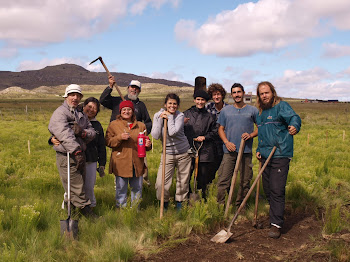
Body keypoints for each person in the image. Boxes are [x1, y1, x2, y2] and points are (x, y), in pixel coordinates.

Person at [255, 81, 301, 239]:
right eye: (261, 94)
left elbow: (294, 118)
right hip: (266, 155)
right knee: (267, 189)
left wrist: (295, 126)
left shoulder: (282, 106)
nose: (264, 96)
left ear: (272, 92)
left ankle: (276, 224)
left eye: (267, 92)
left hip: (280, 153)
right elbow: (261, 134)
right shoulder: (261, 113)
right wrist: (258, 150)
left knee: (276, 189)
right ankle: (273, 217)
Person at [48, 84, 96, 217]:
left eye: (78, 95)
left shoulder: (80, 114)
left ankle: (73, 213)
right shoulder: (60, 113)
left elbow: (92, 132)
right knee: (76, 186)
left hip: (80, 155)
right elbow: (64, 134)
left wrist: (82, 133)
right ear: (66, 96)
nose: (75, 98)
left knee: (79, 183)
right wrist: (76, 151)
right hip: (67, 155)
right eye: (72, 95)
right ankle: (86, 212)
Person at [51, 97, 107, 209]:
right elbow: (62, 132)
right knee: (72, 185)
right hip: (73, 157)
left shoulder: (97, 125)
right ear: (84, 106)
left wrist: (102, 163)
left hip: (90, 159)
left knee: (88, 187)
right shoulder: (74, 118)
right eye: (89, 106)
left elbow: (101, 146)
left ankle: (90, 208)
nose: (91, 110)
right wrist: (51, 139)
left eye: (95, 108)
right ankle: (68, 208)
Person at [100, 76, 152, 184]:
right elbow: (103, 100)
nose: (134, 90)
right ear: (128, 88)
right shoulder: (118, 100)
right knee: (120, 168)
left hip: (137, 145)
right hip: (120, 143)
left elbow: (148, 122)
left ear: (139, 91)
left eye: (136, 88)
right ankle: (120, 193)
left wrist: (142, 134)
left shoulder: (141, 105)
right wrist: (110, 86)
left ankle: (140, 189)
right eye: (132, 87)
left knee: (139, 169)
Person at [216, 83, 258, 209]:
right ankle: (220, 206)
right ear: (231, 95)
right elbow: (220, 129)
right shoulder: (225, 111)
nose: (237, 95)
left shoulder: (252, 110)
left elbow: (260, 128)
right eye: (234, 92)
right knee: (223, 180)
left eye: (239, 92)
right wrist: (226, 142)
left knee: (245, 181)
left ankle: (240, 206)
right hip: (229, 151)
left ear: (243, 93)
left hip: (245, 151)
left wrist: (251, 135)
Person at [105, 100, 152, 208]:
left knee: (137, 187)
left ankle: (135, 209)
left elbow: (146, 145)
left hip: (137, 161)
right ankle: (121, 209)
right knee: (121, 188)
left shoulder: (141, 126)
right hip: (121, 161)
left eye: (129, 109)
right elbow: (107, 141)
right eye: (124, 109)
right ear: (120, 111)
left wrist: (148, 144)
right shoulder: (113, 125)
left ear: (133, 111)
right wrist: (119, 138)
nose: (126, 111)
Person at [151, 93, 192, 210]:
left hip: (183, 153)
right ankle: (163, 205)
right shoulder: (158, 115)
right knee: (161, 183)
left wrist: (168, 117)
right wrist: (160, 119)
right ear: (165, 104)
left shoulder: (180, 116)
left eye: (175, 104)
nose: (172, 106)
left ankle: (180, 206)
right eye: (170, 103)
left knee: (182, 182)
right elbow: (155, 135)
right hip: (167, 154)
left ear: (178, 106)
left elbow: (172, 132)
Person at [184, 90, 218, 200]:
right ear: (194, 100)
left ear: (206, 101)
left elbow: (215, 131)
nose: (200, 102)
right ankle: (187, 197)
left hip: (205, 151)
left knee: (203, 177)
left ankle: (202, 199)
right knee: (187, 175)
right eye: (198, 99)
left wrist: (205, 137)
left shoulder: (210, 116)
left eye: (202, 100)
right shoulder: (186, 114)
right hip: (189, 148)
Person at [206, 83, 229, 174]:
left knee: (224, 168)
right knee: (210, 167)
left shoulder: (228, 108)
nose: (216, 97)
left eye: (218, 94)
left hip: (224, 140)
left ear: (222, 95)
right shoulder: (208, 107)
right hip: (211, 141)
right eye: (214, 95)